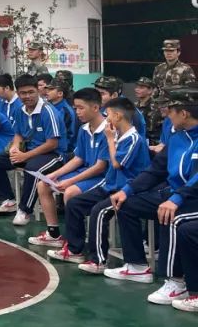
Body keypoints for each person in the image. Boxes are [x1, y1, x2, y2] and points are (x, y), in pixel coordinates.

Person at [103, 86, 198, 292]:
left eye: (169, 111)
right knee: (125, 204)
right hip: (175, 194)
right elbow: (155, 170)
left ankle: (176, 281)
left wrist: (177, 199)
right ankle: (137, 266)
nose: (166, 115)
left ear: (183, 113)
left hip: (191, 198)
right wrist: (127, 190)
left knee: (169, 215)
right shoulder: (177, 138)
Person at [46, 94, 150, 270]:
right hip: (110, 187)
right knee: (74, 203)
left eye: (108, 114)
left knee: (98, 211)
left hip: (126, 190)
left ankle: (98, 261)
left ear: (117, 116)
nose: (106, 118)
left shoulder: (133, 139)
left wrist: (109, 139)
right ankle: (74, 250)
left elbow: (116, 164)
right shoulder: (118, 135)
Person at [27, 88, 109, 247]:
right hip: (85, 171)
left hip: (102, 176)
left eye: (81, 108)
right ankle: (53, 234)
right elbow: (78, 158)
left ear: (95, 107)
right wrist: (55, 174)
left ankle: (74, 243)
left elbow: (100, 167)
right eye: (75, 108)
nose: (77, 112)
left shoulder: (108, 130)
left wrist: (70, 181)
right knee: (43, 184)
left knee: (70, 192)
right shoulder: (84, 129)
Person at [0, 74, 64, 226]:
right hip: (29, 152)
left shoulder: (48, 112)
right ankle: (8, 200)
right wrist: (15, 147)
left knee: (32, 169)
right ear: (18, 93)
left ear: (38, 91)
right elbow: (19, 134)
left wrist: (25, 156)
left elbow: (53, 143)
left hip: (53, 155)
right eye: (23, 93)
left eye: (31, 92)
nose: (27, 96)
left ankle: (24, 210)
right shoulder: (20, 110)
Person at [94, 75, 147, 142]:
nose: (96, 97)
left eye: (102, 94)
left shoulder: (127, 110)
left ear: (114, 95)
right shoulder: (101, 106)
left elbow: (129, 139)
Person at [153, 39, 196, 113]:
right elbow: (155, 89)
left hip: (177, 108)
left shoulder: (186, 69)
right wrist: (154, 105)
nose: (168, 53)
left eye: (171, 51)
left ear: (178, 52)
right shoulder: (158, 68)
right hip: (160, 107)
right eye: (166, 51)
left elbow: (190, 92)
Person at [46, 78, 77, 159]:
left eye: (51, 89)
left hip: (61, 152)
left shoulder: (66, 111)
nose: (47, 92)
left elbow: (70, 136)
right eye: (47, 89)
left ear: (60, 93)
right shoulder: (48, 107)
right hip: (49, 147)